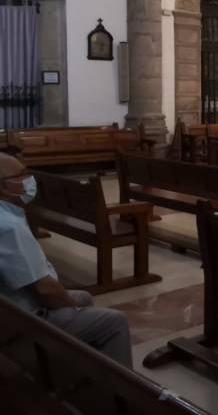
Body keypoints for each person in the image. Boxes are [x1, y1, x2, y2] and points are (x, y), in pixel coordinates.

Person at [0, 153, 133, 367]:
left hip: (11, 304)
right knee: (115, 321)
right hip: (22, 318)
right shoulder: (8, 226)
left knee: (85, 297)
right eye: (22, 175)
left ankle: (77, 368)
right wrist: (71, 308)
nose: (29, 180)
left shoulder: (6, 214)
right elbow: (45, 290)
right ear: (4, 187)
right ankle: (119, 391)